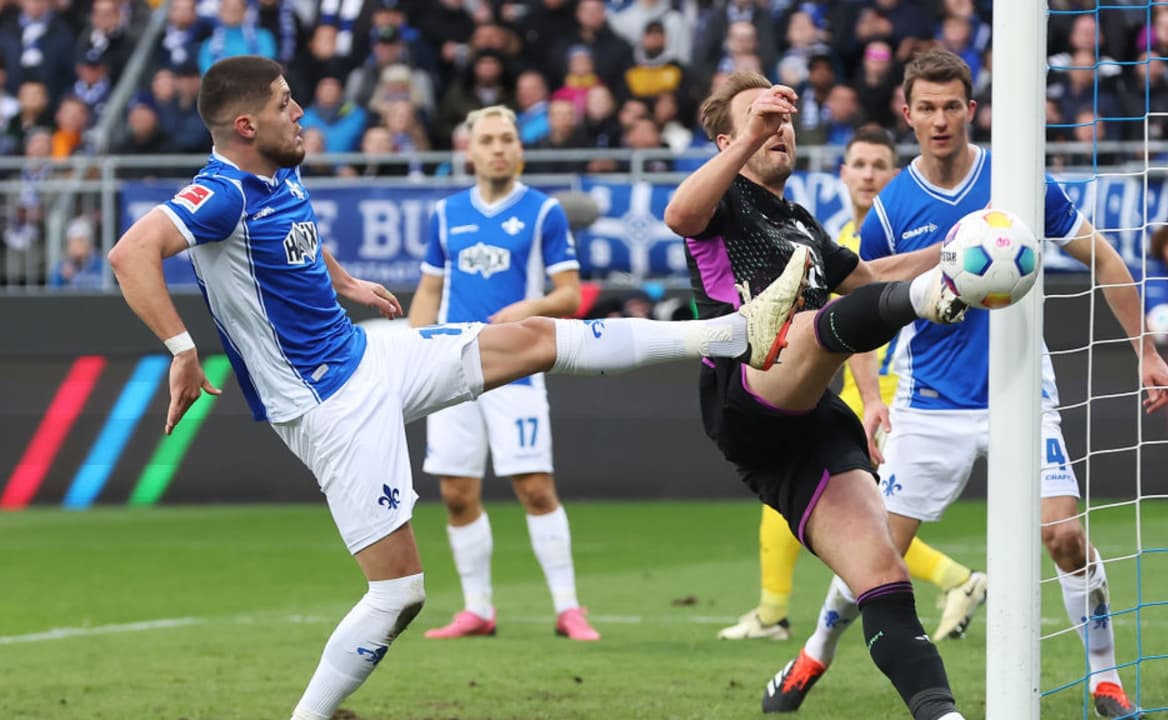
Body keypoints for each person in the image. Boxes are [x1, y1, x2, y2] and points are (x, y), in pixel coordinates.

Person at [107, 56, 813, 720]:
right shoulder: (219, 192)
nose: (300, 114)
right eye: (285, 105)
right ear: (245, 127)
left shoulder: (278, 175)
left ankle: (733, 333)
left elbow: (296, 240)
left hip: (367, 356)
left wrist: (345, 281)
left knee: (534, 338)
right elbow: (130, 251)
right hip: (329, 408)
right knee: (398, 594)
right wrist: (181, 349)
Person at [761, 49, 1168, 719]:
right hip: (930, 405)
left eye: (950, 106)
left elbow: (1101, 253)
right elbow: (854, 311)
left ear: (970, 109)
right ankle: (814, 652)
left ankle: (1106, 681)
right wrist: (871, 398)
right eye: (925, 108)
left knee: (1064, 536)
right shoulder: (894, 206)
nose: (938, 119)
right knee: (875, 555)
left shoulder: (1015, 182)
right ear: (907, 113)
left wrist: (1147, 352)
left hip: (1021, 393)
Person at [667, 70, 975, 720]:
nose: (776, 129)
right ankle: (926, 306)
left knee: (885, 581)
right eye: (758, 119)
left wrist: (962, 251)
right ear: (730, 138)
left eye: (780, 120)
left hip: (806, 425)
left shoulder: (799, 220)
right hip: (744, 383)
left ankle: (941, 715)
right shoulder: (722, 202)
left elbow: (868, 279)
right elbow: (679, 215)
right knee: (803, 329)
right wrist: (744, 141)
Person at [718, 127, 986, 645]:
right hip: (848, 388)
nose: (867, 175)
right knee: (806, 509)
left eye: (878, 166)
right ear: (842, 173)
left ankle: (955, 580)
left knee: (867, 517)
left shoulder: (901, 231)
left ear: (894, 175)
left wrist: (871, 400)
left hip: (900, 391)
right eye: (858, 164)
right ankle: (774, 613)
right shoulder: (831, 236)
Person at [408, 106, 600, 642]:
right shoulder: (446, 214)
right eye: (487, 139)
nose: (497, 148)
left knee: (535, 487)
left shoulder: (543, 213)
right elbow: (429, 287)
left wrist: (524, 311)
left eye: (506, 139)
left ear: (520, 148)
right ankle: (478, 609)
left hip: (515, 369)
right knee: (455, 493)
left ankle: (568, 607)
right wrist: (413, 349)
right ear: (469, 150)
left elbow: (568, 291)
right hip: (451, 370)